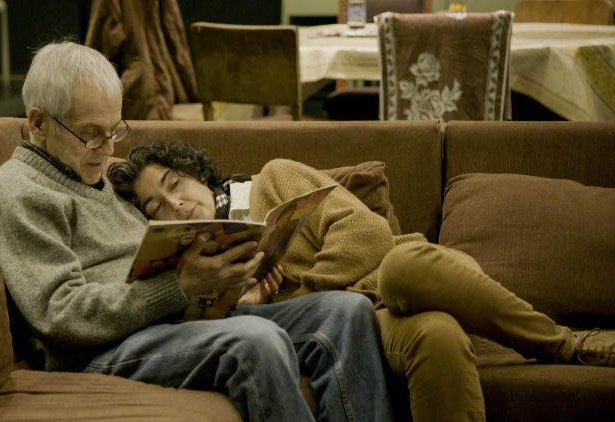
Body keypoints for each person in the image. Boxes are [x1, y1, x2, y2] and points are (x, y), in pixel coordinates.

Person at [0, 40, 395, 422]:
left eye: (114, 131)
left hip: (170, 324)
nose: (108, 149)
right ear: (39, 122)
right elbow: (60, 317)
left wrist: (220, 283)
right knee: (255, 340)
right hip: (101, 350)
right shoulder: (16, 192)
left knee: (345, 312)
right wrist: (179, 286)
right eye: (91, 134)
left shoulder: (93, 175)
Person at [108, 140, 611, 422]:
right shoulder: (188, 267)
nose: (175, 203)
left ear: (196, 172)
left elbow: (366, 234)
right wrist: (256, 305)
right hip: (369, 328)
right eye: (156, 205)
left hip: (411, 284)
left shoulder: (273, 179)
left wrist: (311, 293)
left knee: (402, 266)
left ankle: (566, 345)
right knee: (437, 337)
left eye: (174, 184)